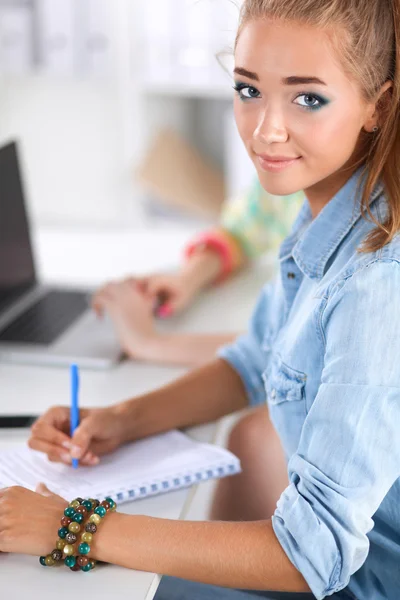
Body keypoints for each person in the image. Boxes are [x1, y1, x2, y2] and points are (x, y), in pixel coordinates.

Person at [1, 0, 400, 598]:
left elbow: (311, 555)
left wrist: (73, 527)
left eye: (307, 98)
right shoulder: (326, 215)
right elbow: (254, 361)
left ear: (379, 105)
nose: (266, 128)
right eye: (248, 89)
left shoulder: (375, 285)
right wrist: (121, 421)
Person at [92, 182, 304, 367]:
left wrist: (148, 343)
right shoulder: (289, 179)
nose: (266, 136)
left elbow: (299, 354)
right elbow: (242, 231)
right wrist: (187, 279)